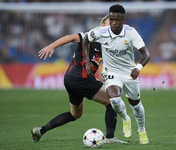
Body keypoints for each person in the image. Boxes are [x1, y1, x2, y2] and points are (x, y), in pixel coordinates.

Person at [31, 14, 128, 144]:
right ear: (102, 25)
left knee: (75, 114)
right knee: (112, 100)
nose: (111, 26)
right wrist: (51, 46)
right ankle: (110, 137)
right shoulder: (91, 35)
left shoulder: (108, 43)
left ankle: (40, 131)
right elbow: (70, 37)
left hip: (71, 78)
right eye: (108, 23)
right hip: (80, 78)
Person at [83, 4, 150, 144]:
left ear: (123, 20)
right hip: (110, 72)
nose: (113, 23)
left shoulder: (131, 32)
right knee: (114, 99)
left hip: (129, 73)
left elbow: (146, 54)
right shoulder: (101, 32)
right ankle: (126, 119)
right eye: (111, 19)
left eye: (117, 20)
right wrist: (87, 61)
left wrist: (137, 68)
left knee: (136, 105)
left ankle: (142, 130)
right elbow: (86, 39)